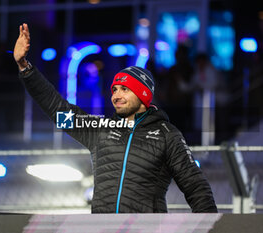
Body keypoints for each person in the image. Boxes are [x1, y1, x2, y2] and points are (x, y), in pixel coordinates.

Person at [13, 23, 217, 213]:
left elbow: (196, 188)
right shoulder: (101, 128)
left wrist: (211, 226)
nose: (116, 95)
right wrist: (25, 67)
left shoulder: (167, 135)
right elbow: (57, 109)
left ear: (143, 96)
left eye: (125, 90)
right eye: (114, 90)